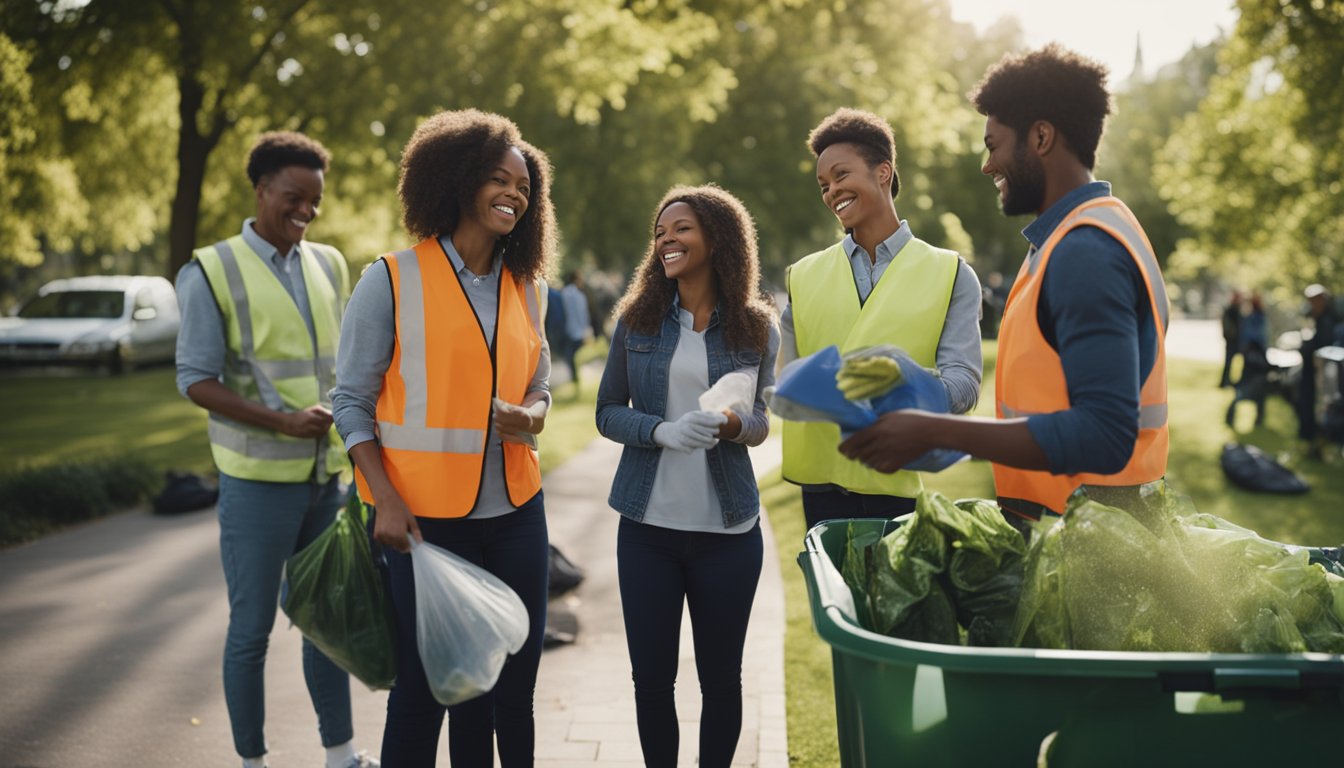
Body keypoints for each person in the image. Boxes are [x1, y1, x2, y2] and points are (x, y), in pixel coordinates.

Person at [839, 44, 1171, 531]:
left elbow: (1104, 433)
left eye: (993, 145)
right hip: (1077, 527)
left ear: (1040, 137)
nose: (986, 166)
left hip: (1096, 542)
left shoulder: (1085, 251)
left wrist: (936, 430)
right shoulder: (1071, 237)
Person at [330, 109, 556, 767]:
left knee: (513, 690)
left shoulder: (524, 285)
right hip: (425, 524)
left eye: (523, 186)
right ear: (458, 182)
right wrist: (385, 500)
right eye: (497, 179)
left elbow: (538, 384)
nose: (513, 194)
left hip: (517, 514)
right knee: (430, 692)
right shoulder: (391, 278)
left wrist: (533, 417)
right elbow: (351, 404)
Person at [174, 131, 375, 768]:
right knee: (252, 632)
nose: (307, 211)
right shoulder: (211, 269)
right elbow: (195, 380)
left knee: (327, 622)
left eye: (315, 200)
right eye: (294, 197)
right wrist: (279, 422)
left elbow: (343, 367)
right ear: (260, 190)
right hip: (257, 483)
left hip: (326, 480)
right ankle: (251, 761)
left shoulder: (330, 263)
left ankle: (340, 755)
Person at [595, 184, 779, 768]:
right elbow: (606, 411)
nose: (666, 239)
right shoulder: (637, 321)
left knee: (721, 680)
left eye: (681, 229)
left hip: (727, 532)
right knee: (651, 681)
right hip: (647, 529)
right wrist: (660, 431)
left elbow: (761, 423)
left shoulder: (756, 328)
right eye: (660, 232)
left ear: (717, 237)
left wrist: (731, 425)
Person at [777, 107, 983, 531]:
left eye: (841, 175)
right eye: (824, 184)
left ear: (883, 172)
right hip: (819, 492)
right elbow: (785, 382)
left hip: (899, 485)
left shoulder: (952, 273)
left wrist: (900, 383)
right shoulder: (803, 274)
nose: (832, 191)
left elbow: (964, 385)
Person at [1298, 283, 1339, 455]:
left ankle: (1319, 443)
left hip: (1325, 375)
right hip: (1314, 373)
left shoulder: (1328, 321)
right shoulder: (1316, 318)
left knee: (1323, 408)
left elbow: (1324, 348)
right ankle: (1313, 442)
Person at [560, 269, 591, 385]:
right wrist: (586, 330)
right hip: (577, 330)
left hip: (566, 328)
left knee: (570, 354)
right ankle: (575, 377)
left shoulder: (563, 293)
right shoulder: (579, 296)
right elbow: (583, 314)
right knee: (573, 355)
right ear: (576, 280)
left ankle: (574, 376)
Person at [1220, 289, 1243, 388]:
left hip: (1237, 340)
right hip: (1232, 340)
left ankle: (1232, 381)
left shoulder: (1239, 310)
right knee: (1228, 362)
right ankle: (1225, 382)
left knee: (1235, 363)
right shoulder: (1231, 310)